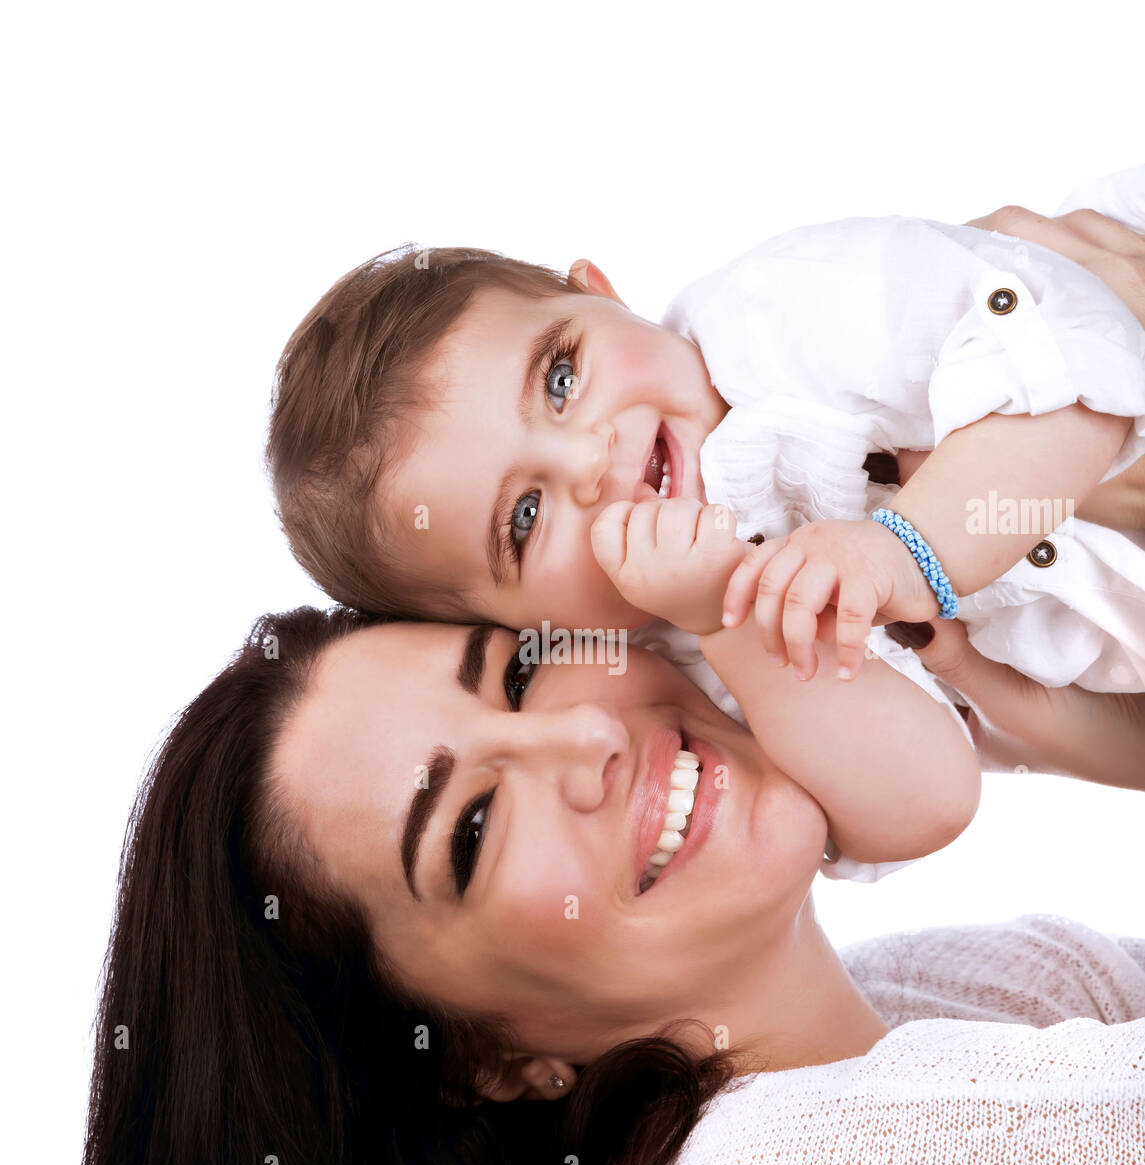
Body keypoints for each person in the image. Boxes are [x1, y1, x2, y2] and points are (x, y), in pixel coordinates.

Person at [81, 604, 1145, 1165]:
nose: (586, 739)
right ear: (478, 1062)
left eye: (520, 672)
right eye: (472, 828)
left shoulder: (934, 989)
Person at [265, 167, 1145, 884]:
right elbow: (930, 800)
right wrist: (729, 620)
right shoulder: (697, 671)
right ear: (529, 627)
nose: (588, 462)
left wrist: (907, 548)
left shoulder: (780, 314)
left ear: (601, 294)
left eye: (561, 379)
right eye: (525, 517)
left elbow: (1081, 357)